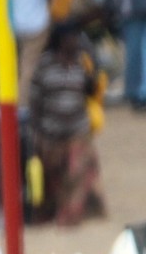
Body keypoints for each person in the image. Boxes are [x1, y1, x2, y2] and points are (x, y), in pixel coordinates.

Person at [28, 24, 105, 227]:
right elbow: (35, 100)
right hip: (50, 133)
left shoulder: (82, 63)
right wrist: (36, 131)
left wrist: (93, 74)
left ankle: (70, 216)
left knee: (76, 173)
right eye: (71, 38)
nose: (75, 42)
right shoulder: (45, 66)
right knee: (52, 179)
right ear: (60, 41)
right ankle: (49, 213)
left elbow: (91, 92)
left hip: (77, 131)